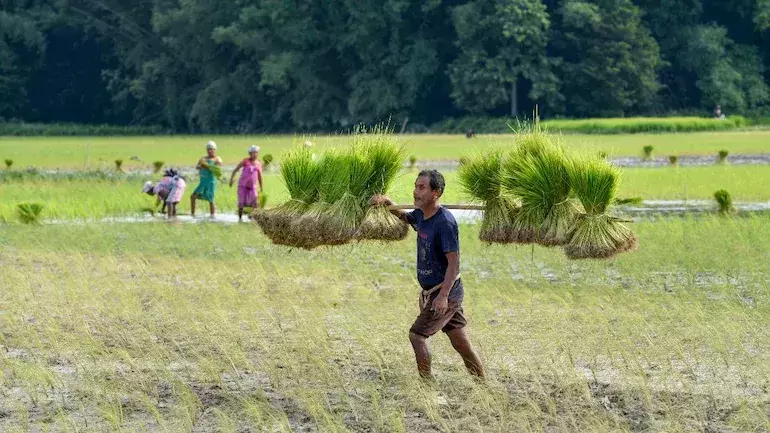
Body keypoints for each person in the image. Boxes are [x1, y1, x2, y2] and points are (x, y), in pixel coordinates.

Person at [371, 169, 485, 380]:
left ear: (436, 192)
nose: (415, 192)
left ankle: (427, 388)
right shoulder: (422, 215)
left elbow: (454, 264)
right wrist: (388, 203)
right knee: (461, 342)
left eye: (422, 187)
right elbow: (407, 218)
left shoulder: (445, 223)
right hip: (437, 291)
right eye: (415, 186)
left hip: (445, 292)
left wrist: (442, 296)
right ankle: (483, 384)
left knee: (417, 335)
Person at [229, 145, 264, 221]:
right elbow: (235, 170)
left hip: (252, 187)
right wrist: (231, 180)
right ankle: (240, 219)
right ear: (250, 153)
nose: (254, 154)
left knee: (254, 203)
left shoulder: (258, 163)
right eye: (253, 153)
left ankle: (251, 218)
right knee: (241, 204)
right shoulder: (245, 161)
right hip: (242, 186)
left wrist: (261, 188)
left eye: (256, 153)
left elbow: (260, 177)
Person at [191, 141, 222, 217]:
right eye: (208, 149)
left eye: (211, 149)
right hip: (202, 182)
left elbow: (218, 168)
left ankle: (212, 216)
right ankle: (192, 214)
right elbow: (197, 166)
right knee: (193, 196)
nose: (210, 151)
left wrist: (208, 166)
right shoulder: (203, 158)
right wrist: (202, 166)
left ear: (215, 150)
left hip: (211, 182)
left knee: (211, 200)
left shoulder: (217, 159)